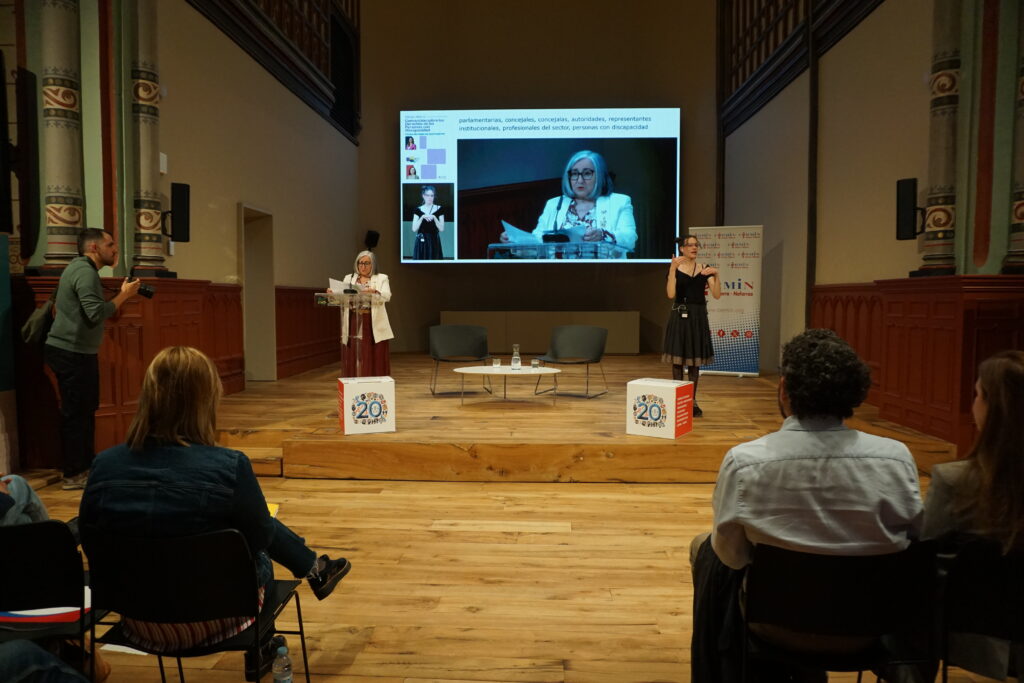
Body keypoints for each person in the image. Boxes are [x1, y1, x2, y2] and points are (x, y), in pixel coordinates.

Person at [79, 346, 351, 659]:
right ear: (205, 401)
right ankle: (304, 580)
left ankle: (314, 567)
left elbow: (89, 539)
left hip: (137, 621)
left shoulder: (104, 465)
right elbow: (262, 538)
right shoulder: (229, 466)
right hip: (220, 617)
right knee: (254, 529)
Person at [690, 329, 924, 683]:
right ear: (854, 391)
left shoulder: (745, 461)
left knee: (707, 552)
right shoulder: (897, 459)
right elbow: (914, 542)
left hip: (772, 628)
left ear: (784, 389)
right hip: (867, 630)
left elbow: (733, 557)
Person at [921, 349, 1024, 680]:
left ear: (995, 410)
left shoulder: (955, 481)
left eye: (977, 395)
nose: (972, 404)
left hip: (969, 631)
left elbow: (925, 553)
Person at [45, 228, 141, 490]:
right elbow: (95, 313)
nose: (115, 249)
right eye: (110, 244)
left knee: (84, 412)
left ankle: (84, 468)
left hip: (77, 352)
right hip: (70, 352)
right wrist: (125, 295)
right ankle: (74, 474)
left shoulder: (80, 269)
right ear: (94, 248)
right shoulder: (85, 272)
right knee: (77, 414)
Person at [499, 150, 637, 256]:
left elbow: (630, 239)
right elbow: (538, 245)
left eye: (587, 173)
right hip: (559, 275)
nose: (580, 180)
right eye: (574, 174)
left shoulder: (619, 202)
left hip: (603, 274)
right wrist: (515, 242)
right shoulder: (554, 205)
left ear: (599, 176)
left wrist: (603, 235)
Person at [663, 235, 720, 417]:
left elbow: (717, 294)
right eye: (691, 245)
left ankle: (691, 401)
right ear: (682, 249)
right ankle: (676, 400)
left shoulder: (704, 269)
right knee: (678, 361)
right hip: (680, 314)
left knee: (694, 363)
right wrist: (672, 269)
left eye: (697, 245)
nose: (695, 248)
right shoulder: (676, 269)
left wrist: (716, 274)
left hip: (698, 317)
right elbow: (670, 294)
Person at [333, 251, 393, 377]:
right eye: (360, 263)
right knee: (355, 351)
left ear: (373, 265)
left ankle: (375, 381)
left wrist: (374, 292)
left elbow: (387, 296)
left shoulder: (382, 278)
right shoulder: (349, 278)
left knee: (373, 353)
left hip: (372, 321)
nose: (363, 266)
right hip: (354, 320)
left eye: (367, 263)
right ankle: (354, 379)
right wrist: (333, 294)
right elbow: (342, 297)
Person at [411, 185, 445, 260]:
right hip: (421, 242)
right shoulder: (418, 210)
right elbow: (414, 229)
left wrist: (434, 217)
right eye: (427, 195)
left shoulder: (439, 208)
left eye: (432, 195)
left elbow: (441, 229)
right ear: (423, 196)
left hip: (434, 241)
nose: (430, 198)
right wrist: (422, 217)